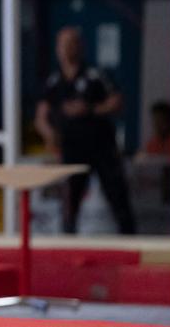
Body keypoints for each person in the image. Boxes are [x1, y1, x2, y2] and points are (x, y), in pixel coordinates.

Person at [34, 26, 137, 235]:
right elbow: (41, 116)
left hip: (101, 146)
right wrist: (49, 134)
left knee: (117, 194)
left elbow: (117, 102)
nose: (67, 49)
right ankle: (68, 239)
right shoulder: (54, 81)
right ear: (57, 49)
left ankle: (129, 236)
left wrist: (90, 109)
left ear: (80, 47)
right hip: (72, 148)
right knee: (70, 199)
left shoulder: (94, 75)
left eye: (72, 43)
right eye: (63, 44)